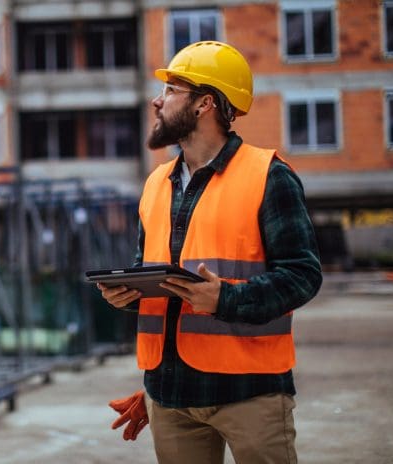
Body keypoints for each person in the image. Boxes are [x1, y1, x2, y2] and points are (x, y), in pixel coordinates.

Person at [99, 41, 323, 464]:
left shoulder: (269, 176)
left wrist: (226, 299)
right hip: (170, 396)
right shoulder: (156, 183)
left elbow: (303, 276)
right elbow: (156, 275)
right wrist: (128, 292)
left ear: (204, 104)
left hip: (249, 394)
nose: (157, 100)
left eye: (171, 91)